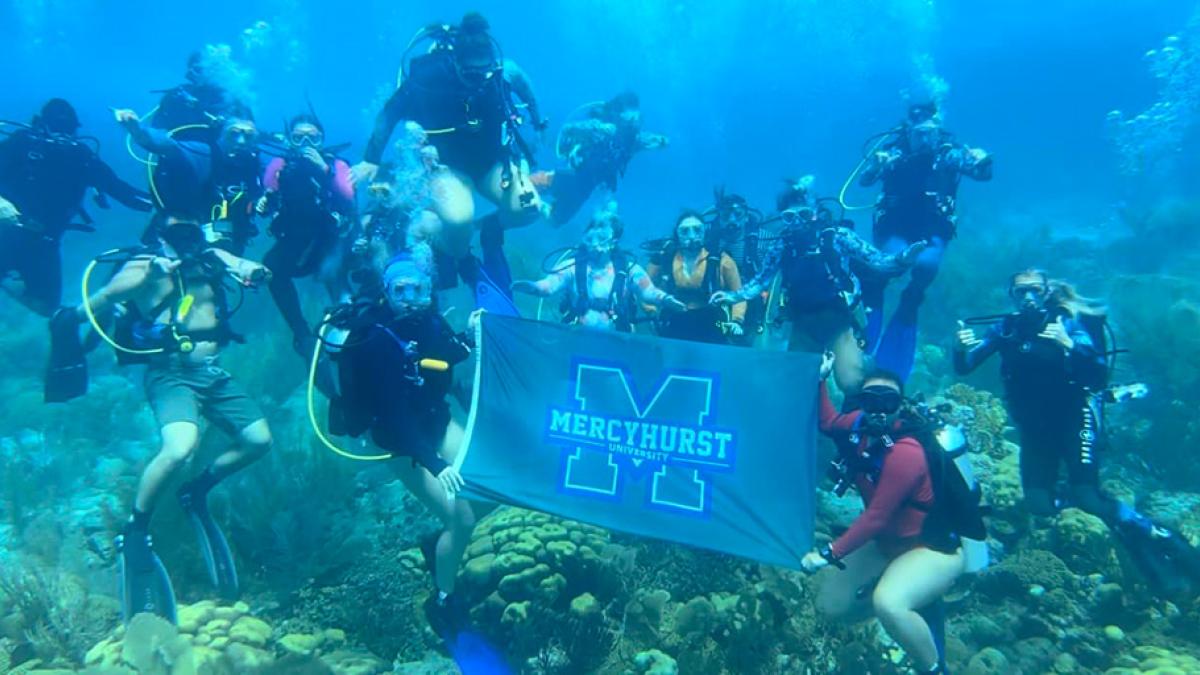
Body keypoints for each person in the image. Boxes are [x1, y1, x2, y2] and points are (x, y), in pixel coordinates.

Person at [52, 220, 273, 623]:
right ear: (161, 238)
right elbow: (102, 299)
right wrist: (141, 275)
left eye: (192, 233)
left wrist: (251, 270)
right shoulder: (143, 266)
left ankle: (196, 491)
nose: (186, 242)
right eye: (177, 235)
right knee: (179, 447)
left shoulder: (209, 258)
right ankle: (135, 530)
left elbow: (237, 261)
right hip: (170, 375)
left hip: (213, 374)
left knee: (259, 440)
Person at [954, 269, 1200, 596]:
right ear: (1011, 295)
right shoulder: (1007, 328)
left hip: (1075, 416)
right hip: (1035, 426)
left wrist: (1068, 344)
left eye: (1035, 290)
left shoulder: (1068, 320)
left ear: (1046, 291)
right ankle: (1114, 520)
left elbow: (1097, 373)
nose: (1028, 297)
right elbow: (966, 365)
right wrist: (958, 348)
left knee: (1088, 494)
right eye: (1020, 292)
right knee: (1039, 503)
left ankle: (1162, 540)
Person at [325, 248, 477, 634]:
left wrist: (471, 338)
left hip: (436, 422)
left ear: (429, 290)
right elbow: (395, 416)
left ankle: (439, 542)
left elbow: (448, 353)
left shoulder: (429, 321)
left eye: (418, 289)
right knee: (461, 517)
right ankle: (443, 600)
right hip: (401, 442)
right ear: (386, 293)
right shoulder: (375, 340)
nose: (410, 299)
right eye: (400, 291)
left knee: (487, 486)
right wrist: (436, 464)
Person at [803, 366, 974, 674]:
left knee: (889, 603)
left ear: (901, 404)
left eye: (888, 402)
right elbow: (828, 422)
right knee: (830, 605)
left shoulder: (907, 452)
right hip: (886, 545)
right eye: (872, 401)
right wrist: (821, 380)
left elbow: (876, 517)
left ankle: (934, 667)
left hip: (931, 548)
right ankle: (913, 600)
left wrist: (827, 554)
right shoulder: (857, 426)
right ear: (861, 402)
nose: (879, 411)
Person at [354, 12, 547, 263]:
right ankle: (439, 238)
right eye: (471, 72)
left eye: (484, 71)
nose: (479, 78)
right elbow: (390, 112)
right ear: (455, 61)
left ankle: (485, 228)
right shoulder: (428, 76)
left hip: (493, 164)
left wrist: (538, 121)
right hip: (447, 167)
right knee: (458, 221)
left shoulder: (501, 71)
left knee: (529, 210)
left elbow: (524, 86)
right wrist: (372, 159)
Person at [712, 182, 925, 393]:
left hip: (838, 322)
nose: (796, 222)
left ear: (814, 213)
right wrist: (733, 297)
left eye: (803, 215)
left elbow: (877, 260)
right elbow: (761, 280)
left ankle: (861, 410)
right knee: (798, 384)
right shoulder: (782, 245)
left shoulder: (837, 236)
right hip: (802, 323)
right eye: (789, 217)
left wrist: (903, 258)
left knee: (851, 383)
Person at [858, 104, 992, 380]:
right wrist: (875, 165)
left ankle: (909, 303)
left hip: (932, 228)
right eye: (919, 133)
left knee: (926, 268)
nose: (924, 139)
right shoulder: (894, 154)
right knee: (885, 268)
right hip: (896, 227)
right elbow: (864, 181)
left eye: (930, 133)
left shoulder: (947, 155)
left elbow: (982, 174)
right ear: (907, 132)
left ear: (938, 131)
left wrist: (982, 160)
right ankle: (872, 309)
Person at [0, 99, 152, 316]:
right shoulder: (26, 144)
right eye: (58, 128)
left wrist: (162, 206)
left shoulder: (78, 155)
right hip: (15, 235)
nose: (61, 136)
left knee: (45, 306)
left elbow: (123, 193)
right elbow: (124, 193)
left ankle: (9, 285)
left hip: (43, 241)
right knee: (45, 305)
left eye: (66, 129)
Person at [258, 114, 356, 357]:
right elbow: (266, 198)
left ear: (322, 140)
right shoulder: (281, 165)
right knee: (271, 267)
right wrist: (262, 202)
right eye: (298, 138)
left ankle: (348, 325)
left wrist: (323, 170)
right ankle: (301, 332)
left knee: (335, 272)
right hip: (293, 243)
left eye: (313, 138)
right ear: (290, 140)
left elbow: (348, 197)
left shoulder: (336, 165)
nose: (306, 144)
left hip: (329, 243)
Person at [115, 107, 264, 255]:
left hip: (227, 244)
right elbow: (168, 146)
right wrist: (137, 130)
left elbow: (265, 199)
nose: (242, 141)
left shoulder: (255, 167)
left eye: (249, 136)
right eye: (234, 134)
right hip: (176, 236)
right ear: (221, 133)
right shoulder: (203, 154)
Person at [512, 207, 684, 331]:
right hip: (577, 339)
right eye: (590, 237)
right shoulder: (572, 267)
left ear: (613, 241)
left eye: (601, 237)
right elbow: (548, 286)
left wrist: (665, 299)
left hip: (617, 341)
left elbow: (648, 292)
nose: (594, 243)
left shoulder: (629, 268)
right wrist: (532, 287)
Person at [537, 91, 669, 226]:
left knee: (554, 220)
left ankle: (536, 205)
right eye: (628, 119)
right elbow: (567, 128)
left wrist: (660, 141)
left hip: (587, 186)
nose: (632, 124)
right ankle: (523, 188)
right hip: (573, 173)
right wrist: (596, 127)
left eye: (636, 120)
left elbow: (659, 141)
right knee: (534, 185)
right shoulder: (599, 128)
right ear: (618, 115)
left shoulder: (634, 140)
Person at [645, 210, 745, 344]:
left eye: (697, 230)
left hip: (711, 321)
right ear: (677, 234)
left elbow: (739, 295)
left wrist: (736, 320)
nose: (691, 236)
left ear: (705, 232)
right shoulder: (665, 259)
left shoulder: (722, 261)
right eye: (685, 231)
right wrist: (651, 313)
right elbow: (645, 287)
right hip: (674, 320)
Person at [150, 51, 253, 142]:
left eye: (198, 69)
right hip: (181, 155)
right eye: (191, 69)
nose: (191, 73)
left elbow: (250, 131)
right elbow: (155, 129)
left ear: (214, 71)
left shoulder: (233, 100)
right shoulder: (176, 97)